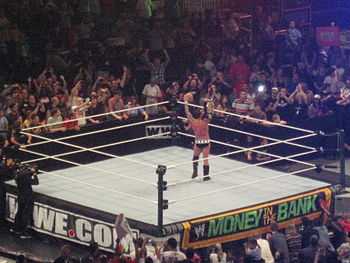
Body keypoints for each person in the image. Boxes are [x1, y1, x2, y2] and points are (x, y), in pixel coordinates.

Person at [184, 92, 213, 181]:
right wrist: (208, 102)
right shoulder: (205, 121)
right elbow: (210, 111)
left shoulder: (192, 121)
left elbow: (187, 111)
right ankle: (206, 176)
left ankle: (195, 171)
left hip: (198, 142)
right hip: (205, 142)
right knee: (205, 159)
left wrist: (185, 101)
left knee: (195, 157)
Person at [12, 162, 39, 238]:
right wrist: (34, 174)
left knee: (19, 213)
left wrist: (29, 172)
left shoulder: (17, 176)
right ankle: (23, 232)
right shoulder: (26, 177)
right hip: (27, 197)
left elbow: (23, 174)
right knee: (25, 215)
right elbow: (36, 182)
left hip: (20, 196)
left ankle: (15, 229)